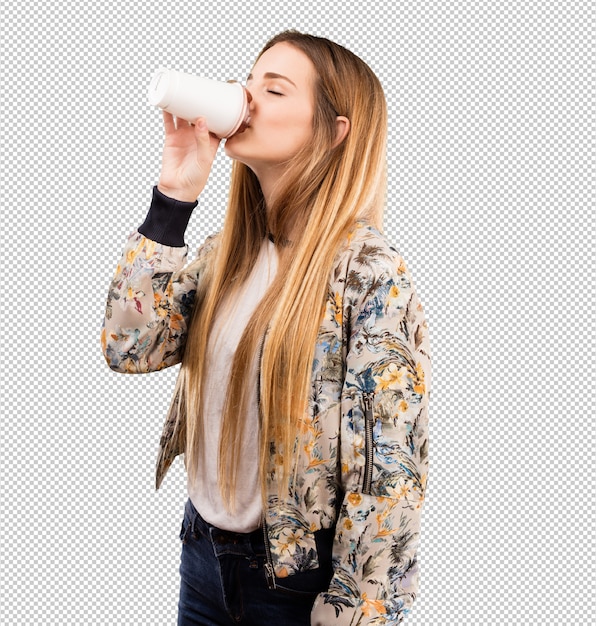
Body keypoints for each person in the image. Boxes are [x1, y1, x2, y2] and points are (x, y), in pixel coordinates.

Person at [101, 29, 431, 626]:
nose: (245, 98)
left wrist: (354, 611)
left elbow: (390, 472)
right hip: (202, 560)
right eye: (247, 81)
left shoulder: (369, 274)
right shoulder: (224, 253)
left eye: (273, 90)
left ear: (334, 132)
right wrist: (175, 193)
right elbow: (129, 347)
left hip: (298, 586)